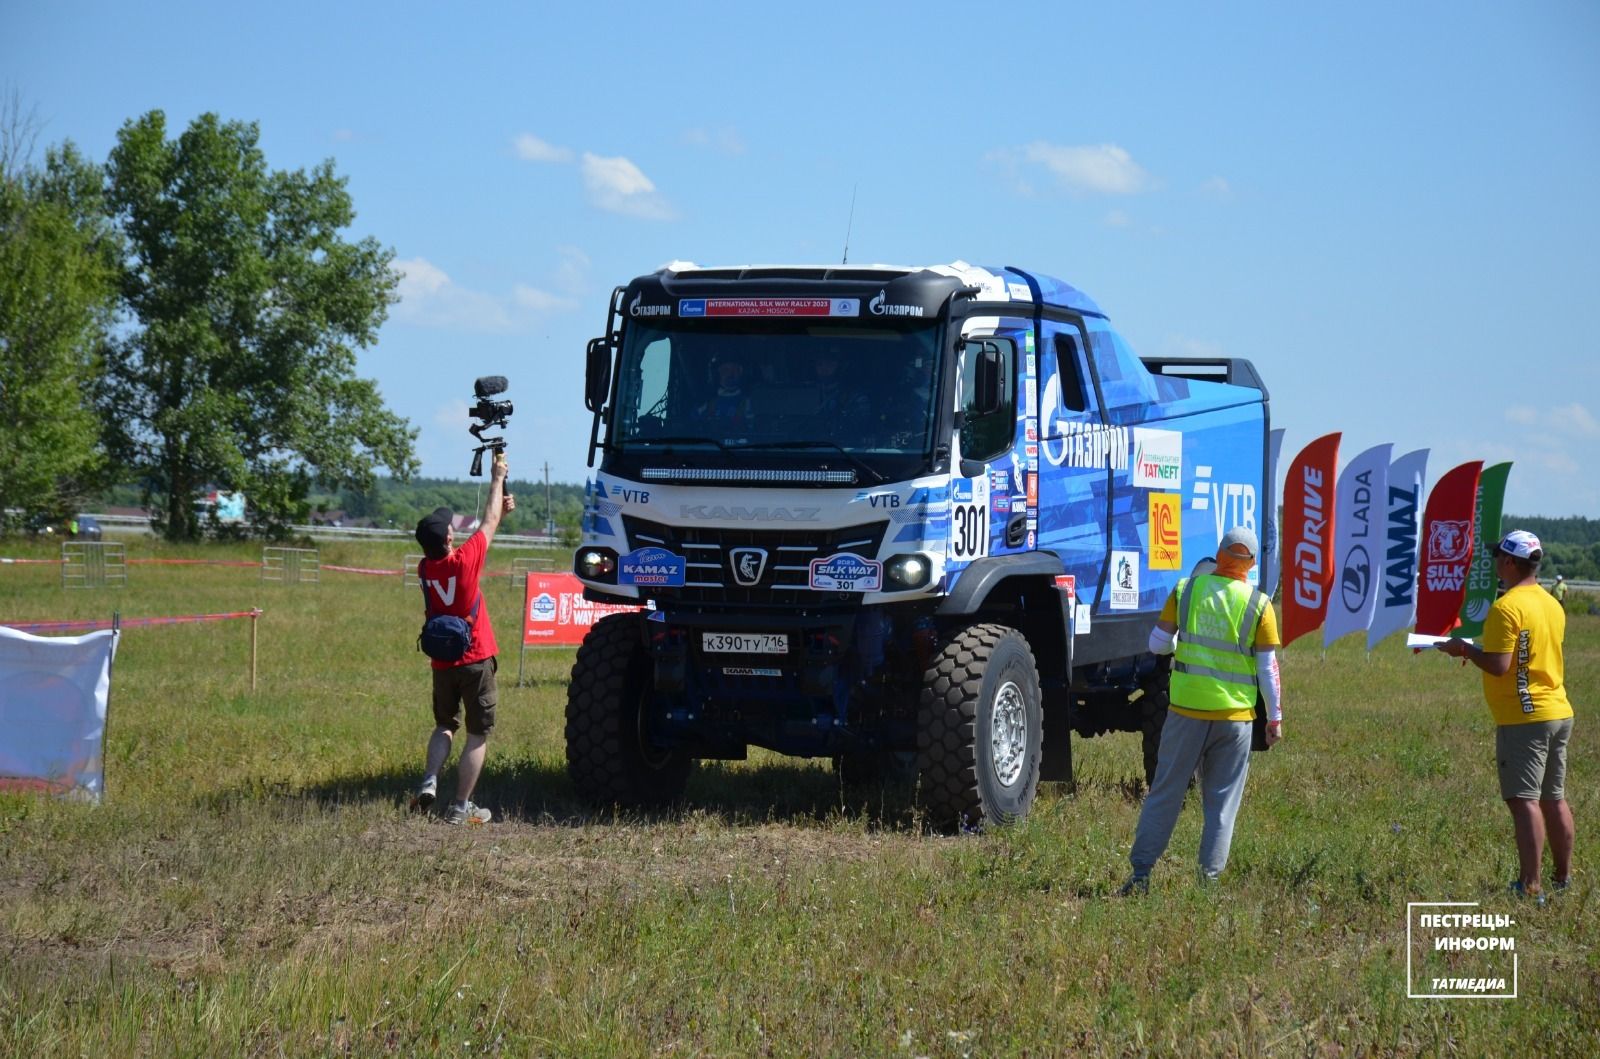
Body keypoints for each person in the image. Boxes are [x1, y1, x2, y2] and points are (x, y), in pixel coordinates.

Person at [1120, 526, 1282, 893]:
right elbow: (1268, 670)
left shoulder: (1187, 590)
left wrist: (1181, 639)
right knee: (1221, 805)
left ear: (1219, 554)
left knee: (1165, 793)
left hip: (1185, 713)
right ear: (1252, 563)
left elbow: (1157, 644)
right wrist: (1275, 718)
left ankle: (1140, 876)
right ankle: (1207, 886)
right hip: (1235, 720)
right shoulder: (1260, 606)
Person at [1437, 530, 1574, 903]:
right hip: (1557, 710)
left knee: (1524, 799)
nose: (1495, 561)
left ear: (1510, 562)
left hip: (1524, 717)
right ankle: (1563, 879)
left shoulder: (1506, 607)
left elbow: (1499, 665)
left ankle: (1531, 887)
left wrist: (1463, 649)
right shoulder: (1551, 604)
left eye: (1499, 555)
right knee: (1553, 798)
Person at [410, 452, 516, 825]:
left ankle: (428, 782)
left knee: (444, 726)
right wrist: (497, 476)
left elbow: (489, 524)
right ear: (450, 538)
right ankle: (459, 807)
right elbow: (485, 523)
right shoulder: (463, 560)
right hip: (475, 659)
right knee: (476, 735)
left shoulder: (427, 567)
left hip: (443, 662)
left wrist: (500, 513)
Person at [698, 358, 753, 429]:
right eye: (725, 370)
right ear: (717, 374)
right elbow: (691, 422)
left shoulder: (749, 401)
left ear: (741, 374)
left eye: (735, 370)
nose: (731, 374)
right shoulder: (708, 401)